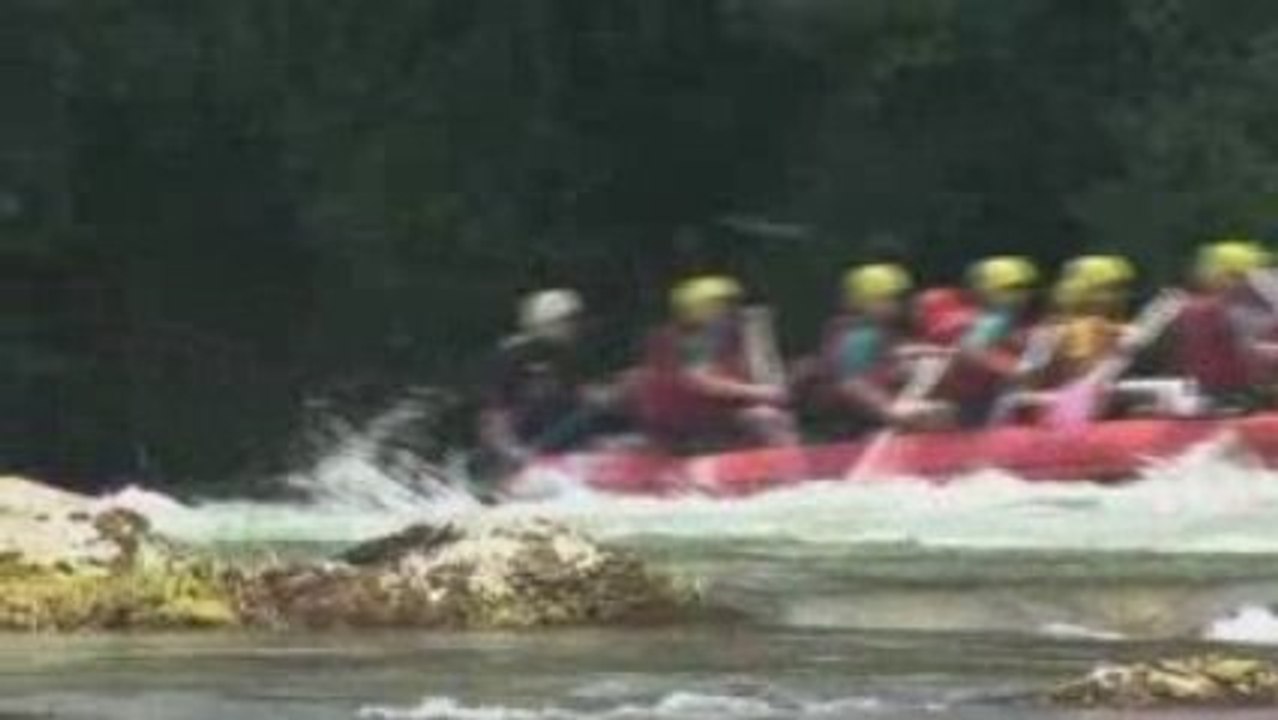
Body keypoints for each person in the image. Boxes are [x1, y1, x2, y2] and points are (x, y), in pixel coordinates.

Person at [633, 275, 795, 451]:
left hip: (711, 415)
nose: (733, 312)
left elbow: (762, 375)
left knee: (768, 417)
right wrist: (758, 393)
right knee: (764, 418)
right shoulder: (676, 340)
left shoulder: (728, 340)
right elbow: (697, 382)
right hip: (682, 418)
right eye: (726, 306)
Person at [478, 288, 612, 471]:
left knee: (593, 412)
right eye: (568, 322)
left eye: (574, 322)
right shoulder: (513, 357)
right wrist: (508, 450)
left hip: (554, 431)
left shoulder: (569, 355)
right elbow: (494, 412)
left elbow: (585, 395)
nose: (574, 328)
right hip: (522, 437)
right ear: (547, 323)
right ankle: (533, 456)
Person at [810, 263, 951, 435]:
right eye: (890, 299)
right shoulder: (861, 336)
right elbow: (852, 384)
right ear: (869, 301)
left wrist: (936, 351)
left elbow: (896, 351)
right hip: (857, 422)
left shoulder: (877, 332)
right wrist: (890, 411)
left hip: (871, 409)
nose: (898, 305)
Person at [1171, 239, 1278, 412]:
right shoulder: (1219, 312)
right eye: (1245, 276)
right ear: (1225, 276)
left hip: (1210, 395)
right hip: (1236, 399)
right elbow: (1252, 352)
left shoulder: (1192, 309)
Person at [948, 255, 1041, 426]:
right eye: (1011, 289)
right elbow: (969, 349)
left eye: (1025, 289)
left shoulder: (1009, 321)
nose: (1022, 295)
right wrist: (1012, 369)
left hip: (982, 397)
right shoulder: (995, 320)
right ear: (986, 291)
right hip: (976, 402)